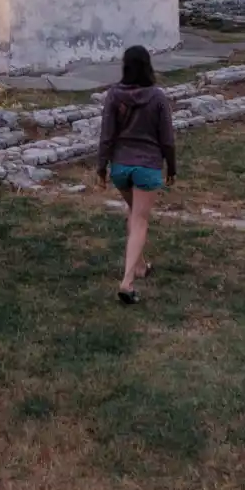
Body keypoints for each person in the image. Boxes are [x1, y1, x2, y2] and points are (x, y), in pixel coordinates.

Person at [95, 44, 176, 304]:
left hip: (120, 168)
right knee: (140, 220)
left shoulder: (113, 95)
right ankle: (127, 282)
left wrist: (101, 167)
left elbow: (107, 135)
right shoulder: (157, 97)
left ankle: (140, 266)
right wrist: (171, 167)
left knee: (133, 213)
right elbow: (167, 139)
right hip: (147, 168)